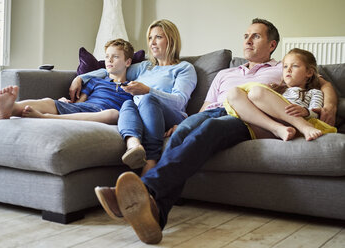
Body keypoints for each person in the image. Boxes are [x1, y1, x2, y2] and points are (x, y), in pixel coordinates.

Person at [94, 18, 338, 244]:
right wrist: (186, 121)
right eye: (245, 35)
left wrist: (329, 104)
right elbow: (205, 107)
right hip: (210, 112)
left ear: (272, 44)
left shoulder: (281, 70)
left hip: (242, 115)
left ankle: (144, 189)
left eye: (255, 36)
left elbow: (320, 81)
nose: (247, 40)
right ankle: (156, 215)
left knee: (211, 127)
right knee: (183, 133)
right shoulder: (225, 73)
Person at [70, 19, 197, 175]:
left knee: (147, 99)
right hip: (141, 113)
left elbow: (179, 101)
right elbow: (113, 70)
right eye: (150, 38)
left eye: (158, 37)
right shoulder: (145, 66)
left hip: (171, 116)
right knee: (127, 105)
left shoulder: (184, 68)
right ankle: (134, 147)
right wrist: (81, 78)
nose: (152, 43)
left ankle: (151, 161)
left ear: (171, 40)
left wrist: (148, 90)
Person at [0, 39, 134, 124]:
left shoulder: (133, 87)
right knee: (50, 102)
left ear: (128, 62)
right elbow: (80, 104)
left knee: (113, 114)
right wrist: (68, 103)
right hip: (83, 109)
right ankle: (12, 108)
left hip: (103, 114)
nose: (109, 60)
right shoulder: (95, 81)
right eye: (107, 56)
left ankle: (45, 118)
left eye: (115, 57)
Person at [225, 48, 337, 142]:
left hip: (293, 123)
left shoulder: (314, 92)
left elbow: (317, 113)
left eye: (295, 66)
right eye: (285, 66)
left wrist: (306, 111)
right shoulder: (278, 90)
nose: (288, 70)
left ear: (309, 72)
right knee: (233, 93)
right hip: (265, 126)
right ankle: (278, 129)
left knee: (256, 92)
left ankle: (304, 127)